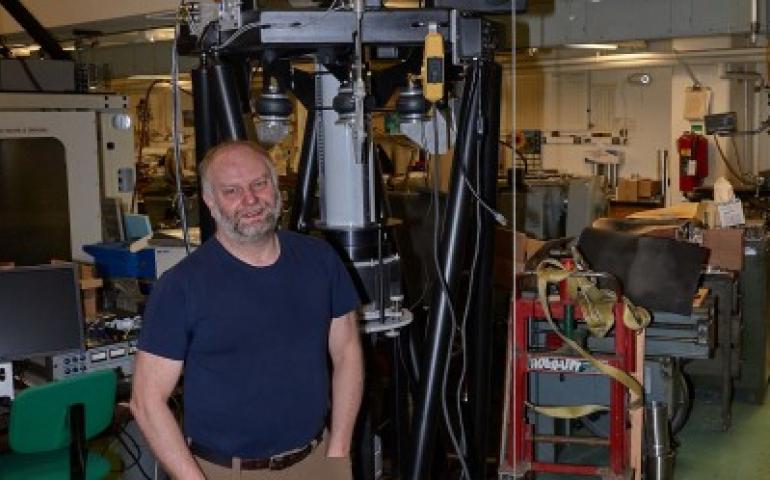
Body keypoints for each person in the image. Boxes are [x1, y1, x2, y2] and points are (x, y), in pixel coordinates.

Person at [130, 140, 364, 479]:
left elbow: (347, 350)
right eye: (232, 191)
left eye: (259, 184)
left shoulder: (320, 259)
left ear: (276, 188)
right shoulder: (181, 287)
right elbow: (146, 401)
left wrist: (338, 453)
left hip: (316, 460)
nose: (250, 199)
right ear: (210, 202)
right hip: (222, 471)